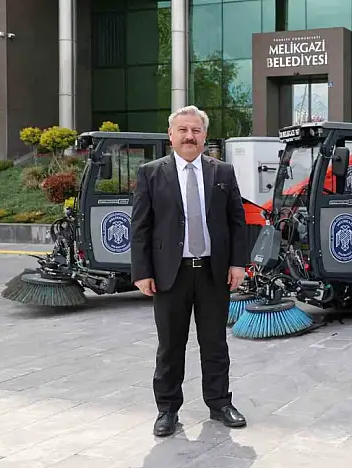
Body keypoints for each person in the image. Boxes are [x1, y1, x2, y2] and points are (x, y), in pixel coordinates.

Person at [131, 105, 248, 437]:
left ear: (205, 135)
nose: (189, 136)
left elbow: (237, 222)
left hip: (213, 273)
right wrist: (142, 271)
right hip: (171, 274)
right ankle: (167, 409)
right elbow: (140, 227)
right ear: (171, 135)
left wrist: (238, 263)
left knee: (215, 343)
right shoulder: (151, 173)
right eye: (182, 130)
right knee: (170, 345)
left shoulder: (222, 172)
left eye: (195, 131)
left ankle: (220, 403)